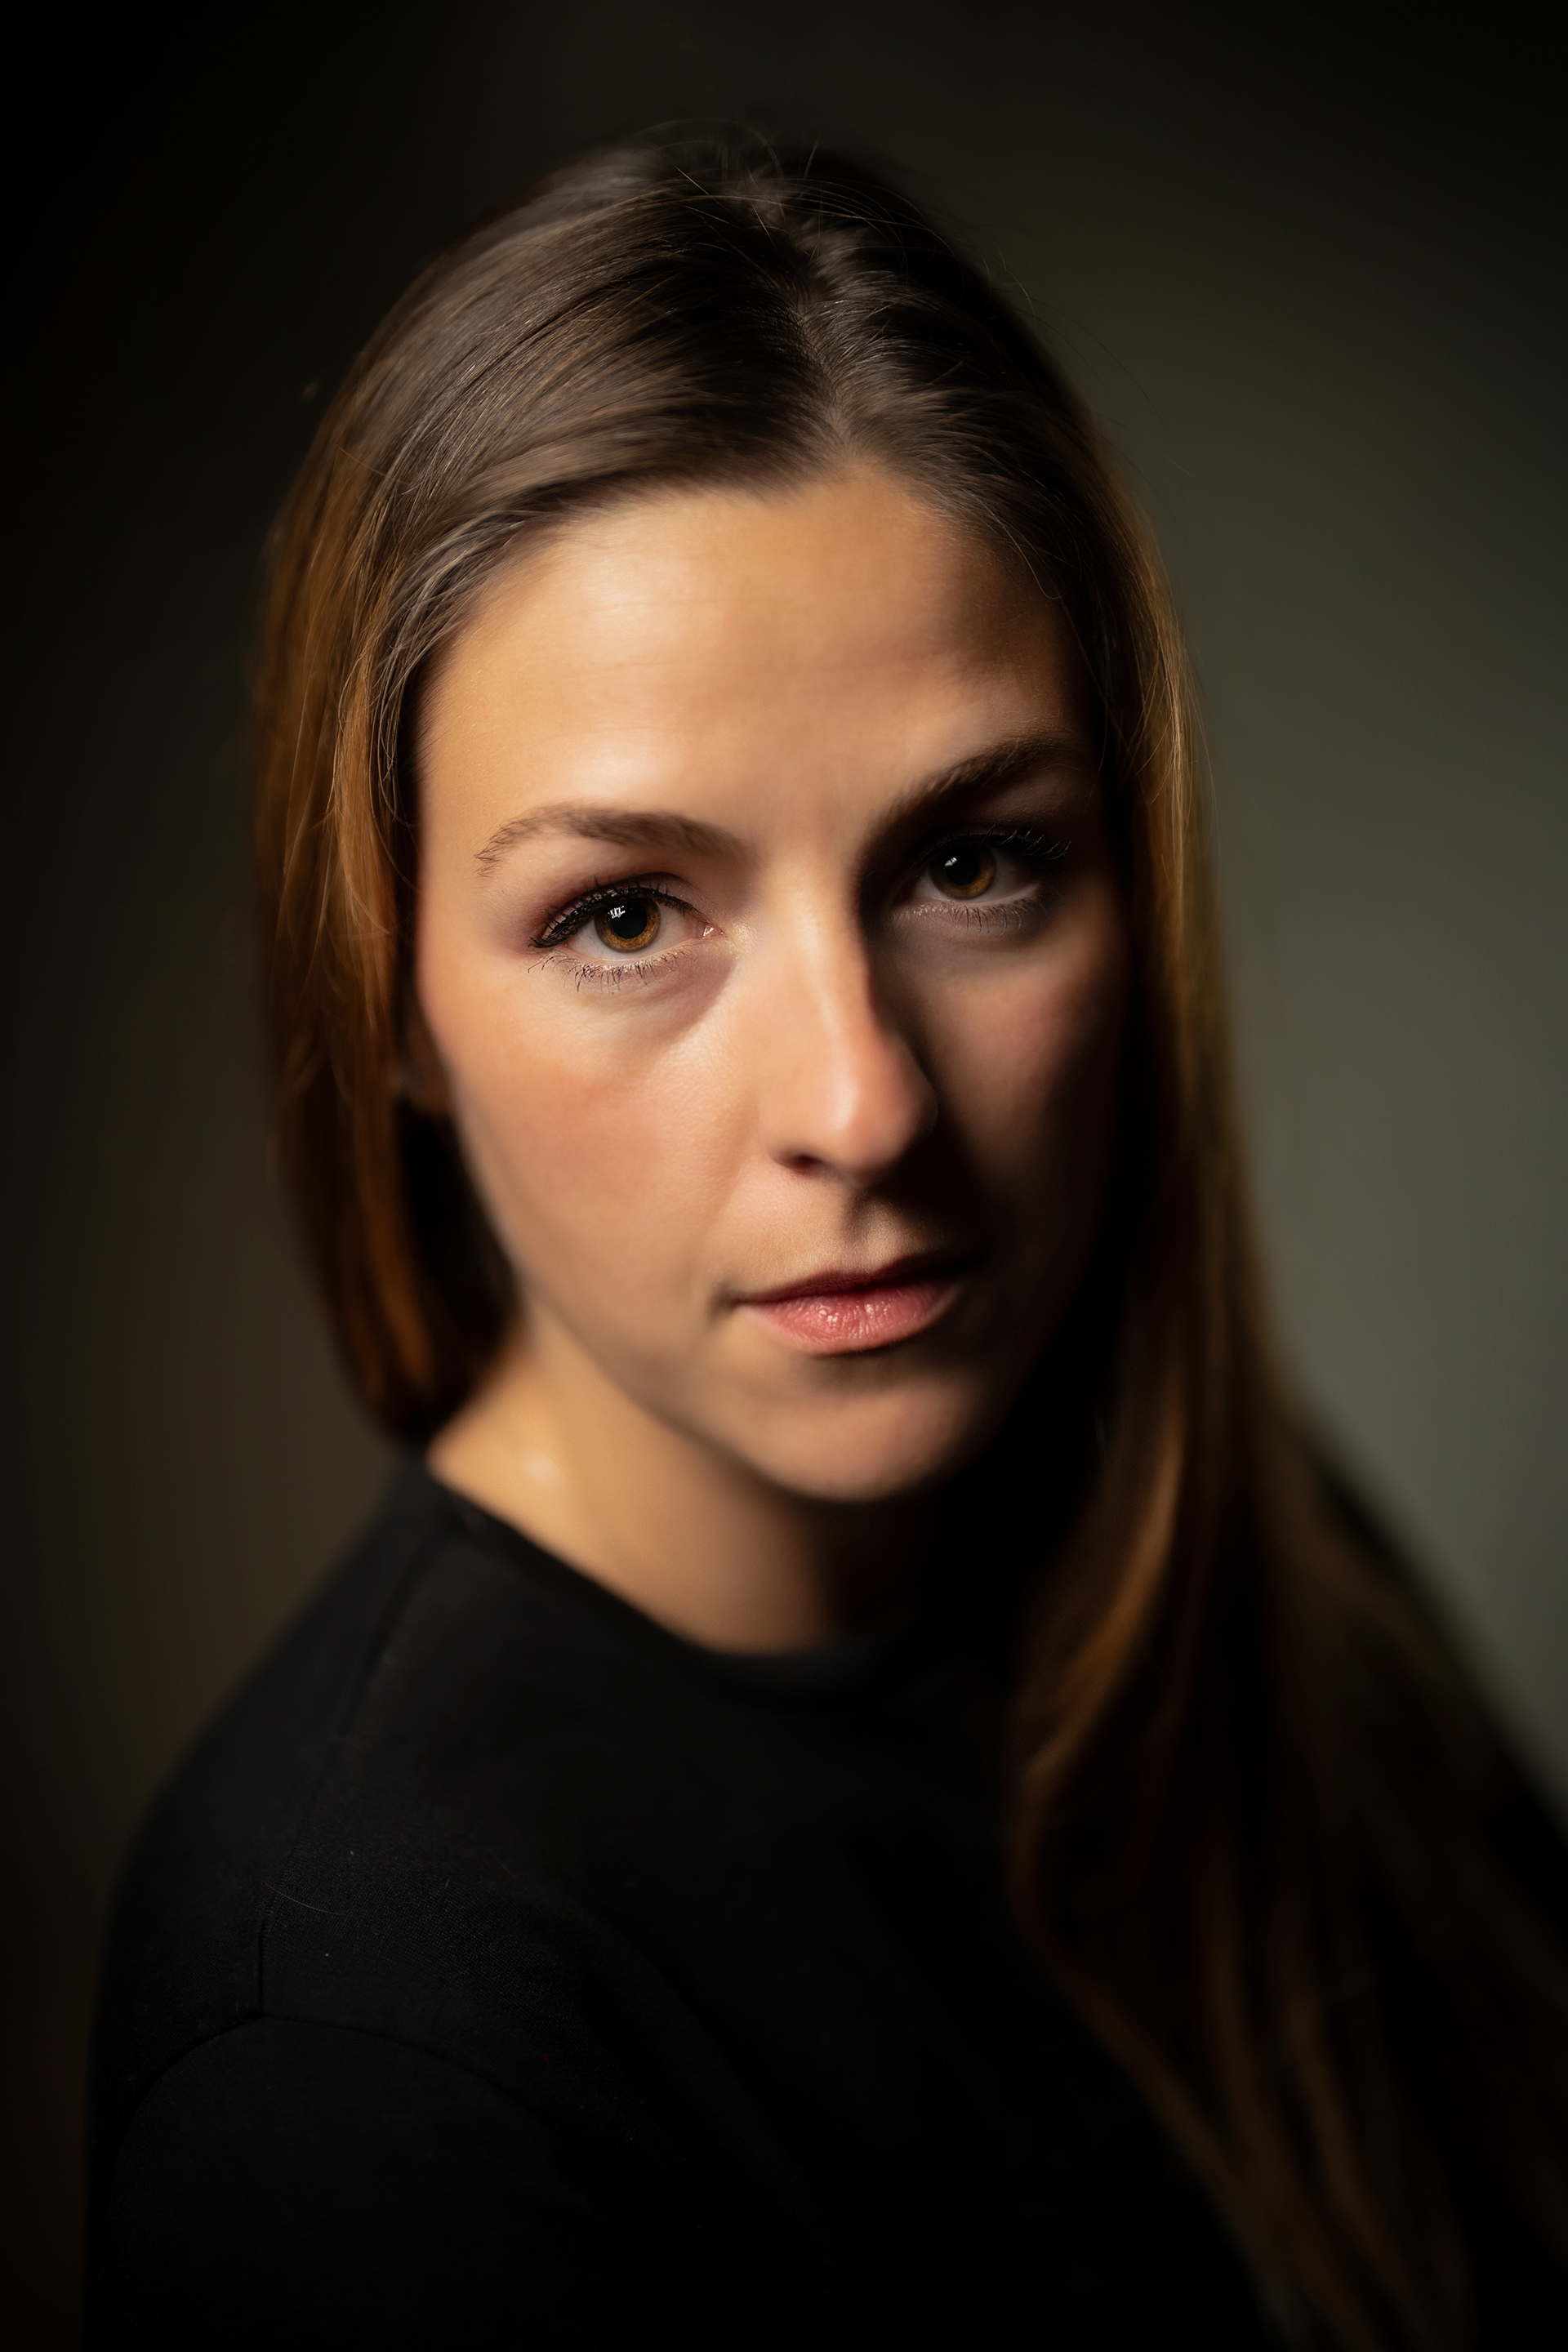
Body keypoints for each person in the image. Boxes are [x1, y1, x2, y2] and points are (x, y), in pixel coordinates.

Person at [87, 136, 1567, 2350]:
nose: (864, 1106)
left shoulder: (1226, 1551)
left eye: (971, 864)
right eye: (624, 916)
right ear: (383, 996)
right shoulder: (359, 2048)